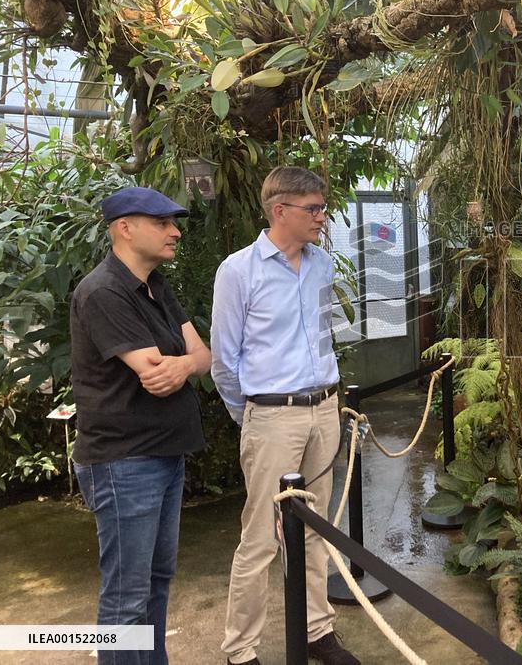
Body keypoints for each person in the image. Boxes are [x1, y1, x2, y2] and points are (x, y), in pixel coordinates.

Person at [211, 167, 358, 665]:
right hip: (273, 416)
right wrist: (254, 416)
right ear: (280, 211)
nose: (322, 217)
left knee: (317, 529)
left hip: (325, 411)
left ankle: (318, 632)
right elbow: (223, 361)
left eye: (322, 207)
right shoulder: (238, 271)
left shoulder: (322, 265)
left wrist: (327, 406)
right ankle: (241, 650)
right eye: (313, 209)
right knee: (260, 538)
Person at [71, 186, 211, 665]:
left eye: (174, 222)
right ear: (125, 229)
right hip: (124, 463)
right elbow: (157, 375)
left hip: (163, 455)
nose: (174, 232)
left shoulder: (156, 286)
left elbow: (202, 356)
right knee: (126, 599)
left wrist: (187, 364)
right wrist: (184, 362)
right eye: (162, 223)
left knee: (155, 583)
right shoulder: (104, 291)